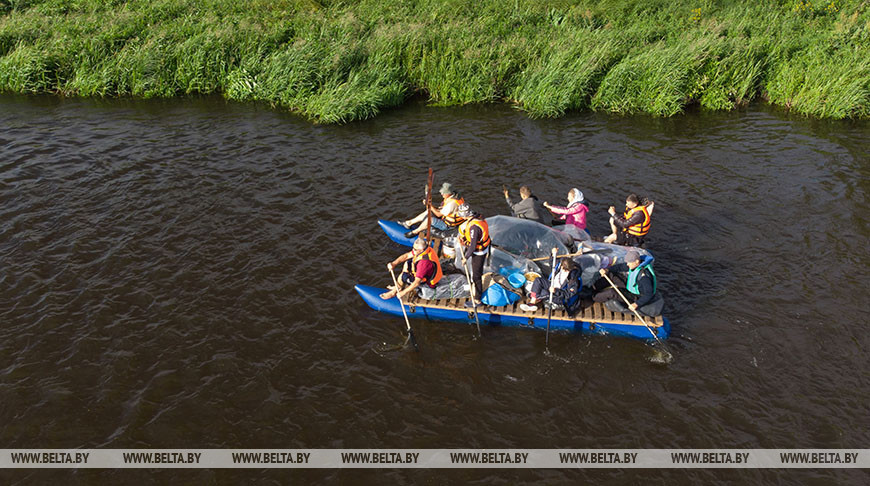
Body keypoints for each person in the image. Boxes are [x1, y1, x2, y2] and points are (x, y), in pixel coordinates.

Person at [592, 249, 663, 317]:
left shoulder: (644, 277)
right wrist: (607, 270)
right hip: (631, 286)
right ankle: (593, 288)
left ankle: (592, 297)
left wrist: (636, 304)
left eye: (629, 262)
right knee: (611, 275)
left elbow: (648, 294)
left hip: (636, 296)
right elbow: (619, 267)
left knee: (612, 292)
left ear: (637, 261)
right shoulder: (634, 265)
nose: (627, 264)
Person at [401, 182, 465, 238]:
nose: (441, 194)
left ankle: (415, 232)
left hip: (448, 226)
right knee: (428, 212)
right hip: (446, 217)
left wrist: (429, 205)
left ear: (449, 193)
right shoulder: (455, 196)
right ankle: (409, 223)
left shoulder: (452, 203)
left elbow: (438, 215)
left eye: (444, 193)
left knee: (430, 219)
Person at [457, 204, 490, 308]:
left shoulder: (474, 227)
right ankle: (474, 287)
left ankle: (477, 300)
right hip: (480, 248)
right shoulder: (476, 217)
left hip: (479, 252)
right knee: (475, 272)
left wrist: (465, 258)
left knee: (476, 276)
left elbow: (473, 246)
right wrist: (464, 243)